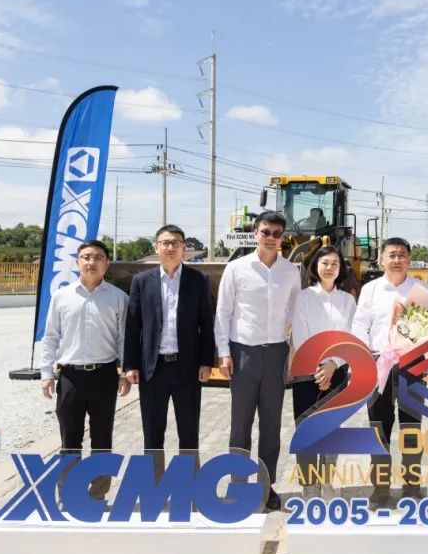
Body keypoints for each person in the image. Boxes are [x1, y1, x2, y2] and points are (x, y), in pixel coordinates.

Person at [215, 211, 301, 510]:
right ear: (255, 234)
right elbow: (223, 312)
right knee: (240, 423)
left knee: (271, 425)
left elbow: (295, 313)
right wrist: (223, 352)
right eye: (266, 232)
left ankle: (266, 486)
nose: (271, 238)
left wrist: (293, 352)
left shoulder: (291, 271)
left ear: (282, 237)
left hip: (276, 353)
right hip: (244, 354)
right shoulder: (237, 268)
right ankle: (238, 485)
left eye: (277, 233)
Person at [39, 239, 130, 502]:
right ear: (78, 262)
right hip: (70, 376)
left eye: (98, 257)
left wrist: (124, 373)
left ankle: (97, 495)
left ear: (107, 264)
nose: (92, 262)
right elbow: (50, 336)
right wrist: (46, 374)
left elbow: (124, 339)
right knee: (70, 437)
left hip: (104, 375)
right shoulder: (62, 297)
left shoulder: (118, 298)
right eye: (86, 257)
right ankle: (69, 495)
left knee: (102, 437)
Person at [123, 224, 216, 480]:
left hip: (187, 367)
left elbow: (207, 324)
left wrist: (206, 362)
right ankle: (154, 484)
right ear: (157, 247)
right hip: (153, 369)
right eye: (165, 243)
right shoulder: (142, 281)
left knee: (189, 429)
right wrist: (130, 364)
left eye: (176, 243)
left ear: (184, 248)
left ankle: (190, 483)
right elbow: (133, 326)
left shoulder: (198, 280)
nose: (170, 247)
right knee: (153, 430)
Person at [351, 236, 428, 505]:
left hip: (412, 365)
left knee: (412, 428)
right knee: (378, 429)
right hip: (377, 364)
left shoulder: (421, 288)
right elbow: (360, 326)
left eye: (402, 255)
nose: (397, 260)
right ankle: (380, 489)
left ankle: (412, 488)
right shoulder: (370, 290)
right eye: (392, 255)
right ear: (382, 259)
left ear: (409, 259)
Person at [289, 246, 356, 498]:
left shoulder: (347, 301)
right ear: (315, 267)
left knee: (331, 428)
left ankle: (327, 482)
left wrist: (333, 364)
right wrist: (319, 367)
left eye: (334, 264)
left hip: (337, 372)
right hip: (307, 371)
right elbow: (300, 334)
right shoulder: (304, 298)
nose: (329, 267)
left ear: (341, 269)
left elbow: (351, 336)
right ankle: (309, 485)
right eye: (325, 262)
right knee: (306, 428)